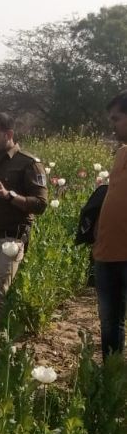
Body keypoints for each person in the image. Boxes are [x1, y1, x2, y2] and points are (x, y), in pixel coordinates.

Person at [0, 113, 47, 332]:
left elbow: (41, 204)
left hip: (10, 240)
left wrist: (10, 196)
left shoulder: (28, 164)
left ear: (9, 134)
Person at [92, 91, 127, 357]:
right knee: (109, 322)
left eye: (116, 118)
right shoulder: (120, 154)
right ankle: (110, 377)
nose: (112, 124)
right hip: (107, 254)